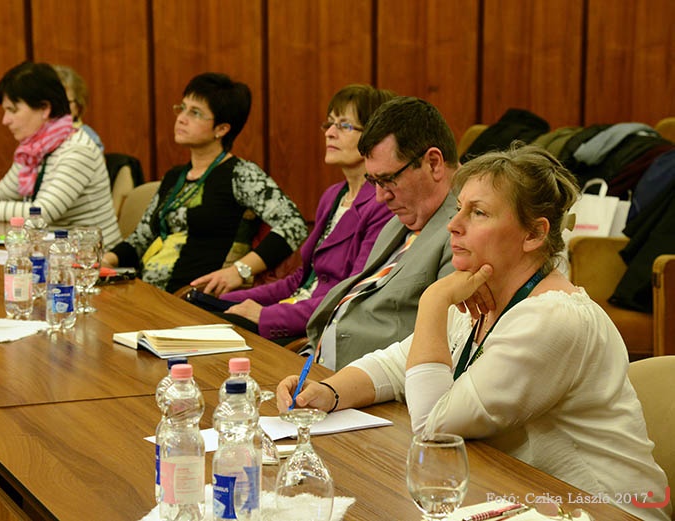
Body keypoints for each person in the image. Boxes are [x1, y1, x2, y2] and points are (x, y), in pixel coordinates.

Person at [278, 146, 670, 521]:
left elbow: (434, 429)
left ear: (533, 234)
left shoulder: (554, 319)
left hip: (603, 509)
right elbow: (399, 363)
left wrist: (433, 302)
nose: (454, 224)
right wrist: (328, 393)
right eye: (459, 208)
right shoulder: (483, 293)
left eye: (478, 212)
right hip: (520, 495)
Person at [214, 85, 395, 344]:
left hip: (316, 332)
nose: (329, 133)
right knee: (205, 310)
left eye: (344, 126)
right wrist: (226, 300)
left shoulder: (381, 204)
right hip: (293, 311)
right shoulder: (333, 196)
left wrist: (266, 316)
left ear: (375, 137)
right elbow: (303, 280)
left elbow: (351, 295)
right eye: (329, 124)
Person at [102, 72, 307, 292]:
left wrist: (239, 270)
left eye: (195, 113)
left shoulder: (240, 174)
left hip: (195, 298)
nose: (181, 118)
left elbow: (293, 225)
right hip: (147, 292)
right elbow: (141, 238)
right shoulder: (175, 177)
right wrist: (105, 261)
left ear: (221, 129)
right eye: (182, 108)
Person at [294, 96, 458, 370]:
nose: (380, 197)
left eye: (388, 179)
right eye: (373, 181)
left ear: (433, 163)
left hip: (370, 386)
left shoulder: (464, 232)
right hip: (315, 363)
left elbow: (444, 348)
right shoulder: (401, 219)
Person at [0, 61, 122, 250]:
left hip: (94, 258)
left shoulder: (77, 150)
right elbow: (6, 192)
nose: (5, 120)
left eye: (12, 110)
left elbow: (42, 212)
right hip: (52, 250)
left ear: (45, 108)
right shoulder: (34, 148)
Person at [53, 64, 104, 151]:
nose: (58, 107)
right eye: (53, 101)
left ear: (78, 107)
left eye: (65, 102)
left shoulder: (88, 138)